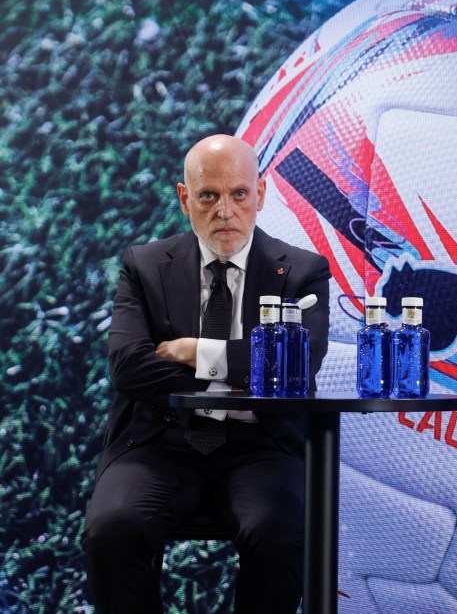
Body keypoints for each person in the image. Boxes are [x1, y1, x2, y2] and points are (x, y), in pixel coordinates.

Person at [83, 135, 331, 613]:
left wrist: (196, 352)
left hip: (260, 447)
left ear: (261, 194)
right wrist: (248, 370)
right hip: (159, 444)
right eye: (208, 196)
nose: (225, 211)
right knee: (111, 528)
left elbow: (299, 366)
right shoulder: (145, 265)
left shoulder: (302, 271)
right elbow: (129, 366)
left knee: (279, 533)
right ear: (184, 199)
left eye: (239, 194)